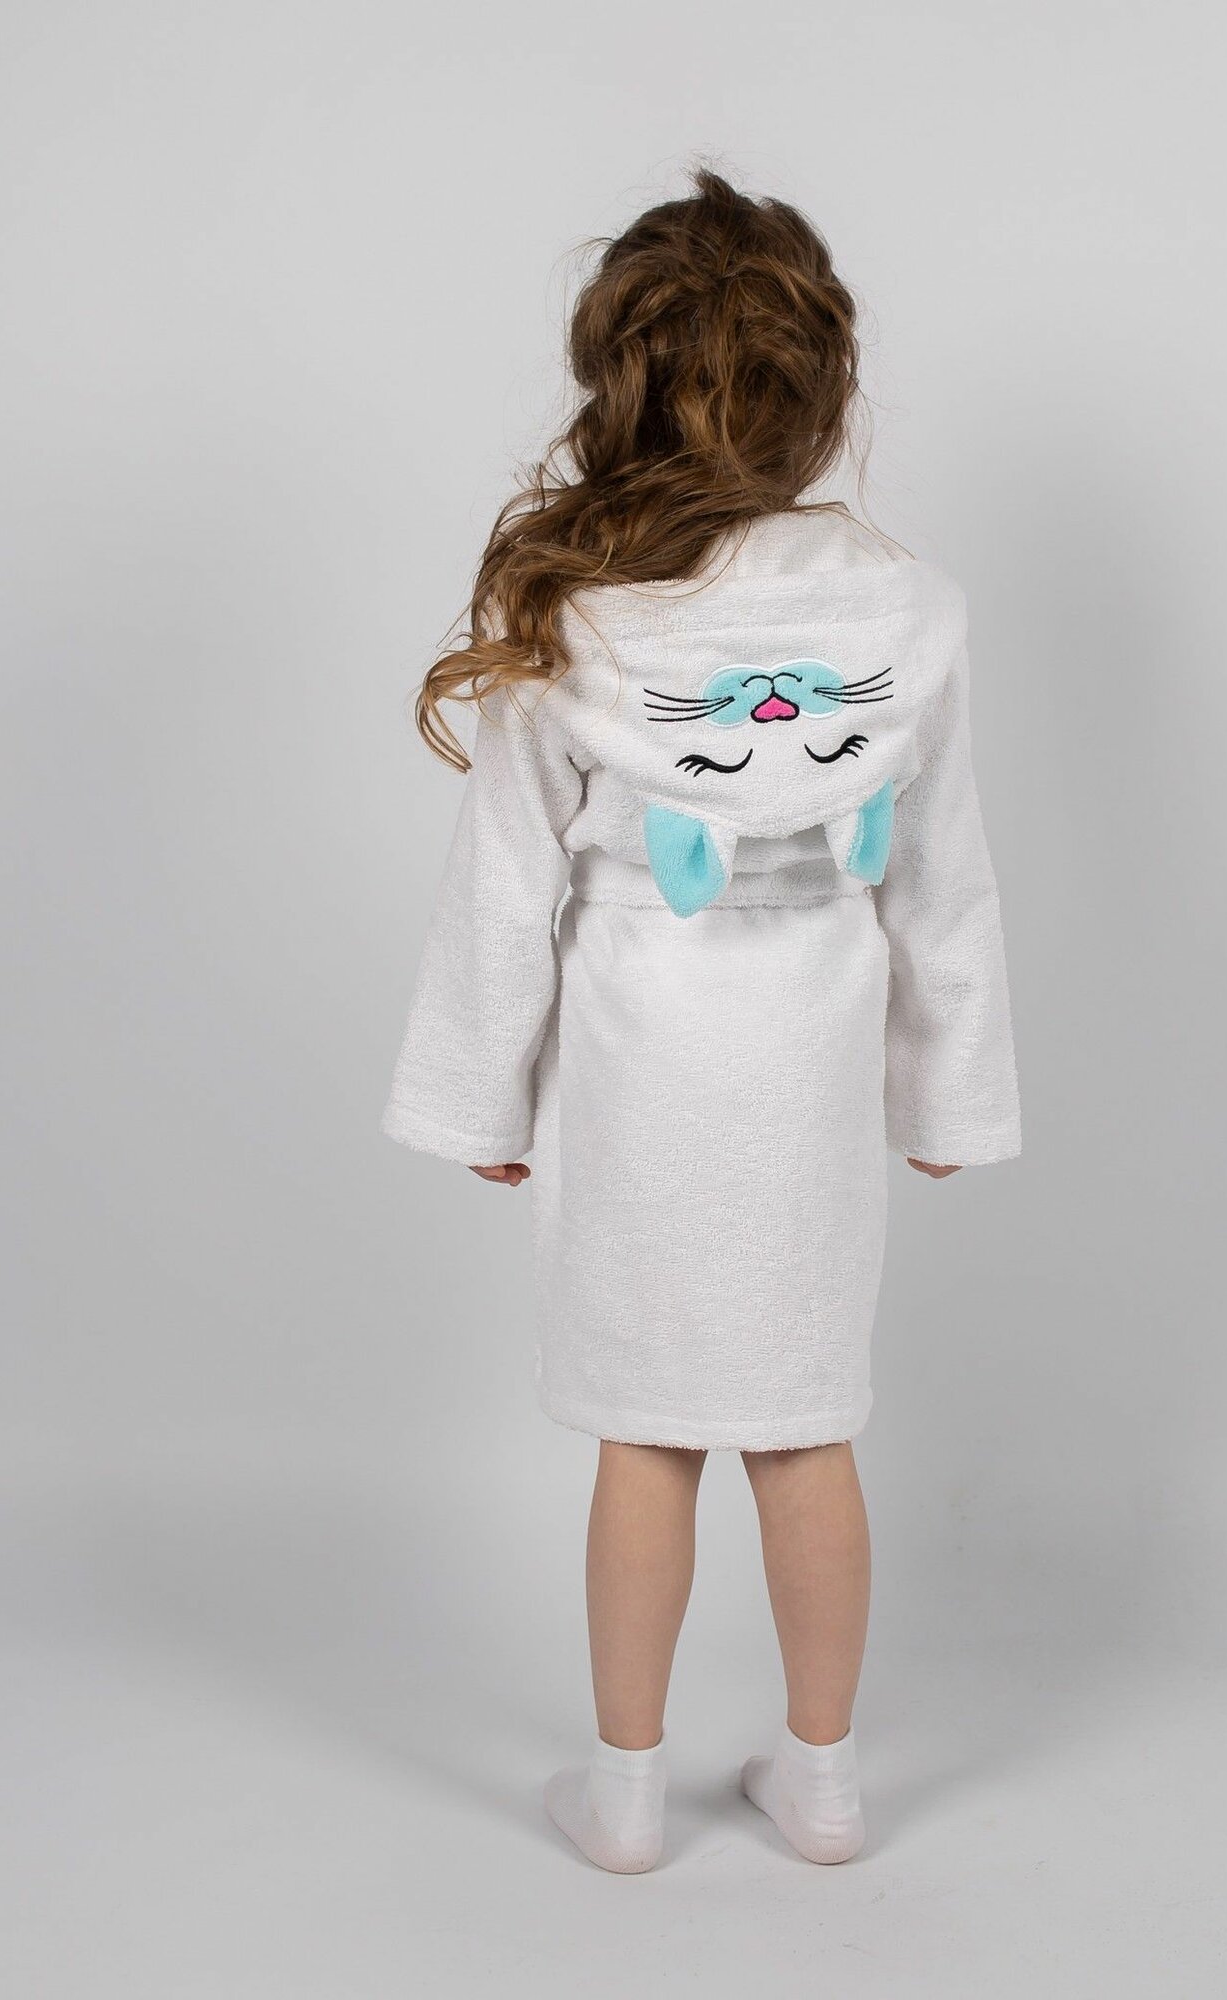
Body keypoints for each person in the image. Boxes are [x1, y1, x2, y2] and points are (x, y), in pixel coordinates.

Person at [383, 168, 1020, 1873]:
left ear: (621, 388)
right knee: (807, 1422)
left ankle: (624, 1794)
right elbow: (942, 876)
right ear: (827, 395)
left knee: (647, 1428)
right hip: (809, 1053)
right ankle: (824, 1782)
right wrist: (949, 1096)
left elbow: (505, 883)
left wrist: (482, 1101)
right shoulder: (906, 612)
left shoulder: (575, 607)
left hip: (642, 1051)